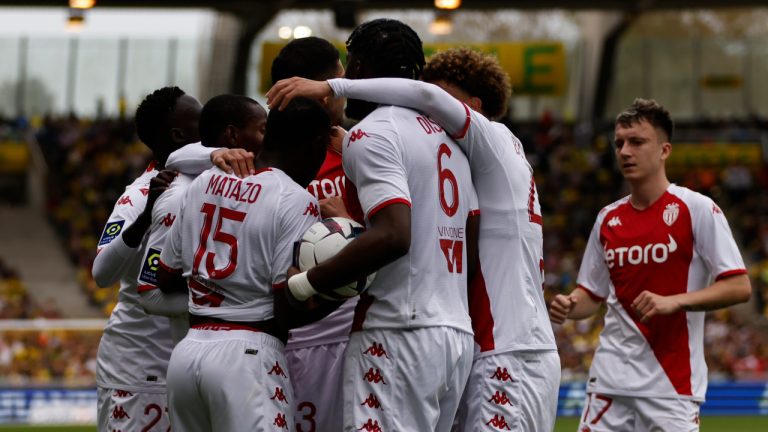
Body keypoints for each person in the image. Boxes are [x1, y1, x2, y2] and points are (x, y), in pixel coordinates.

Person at [268, 46, 561, 431]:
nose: (428, 116)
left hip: (504, 349)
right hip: (490, 344)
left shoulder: (491, 139)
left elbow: (425, 96)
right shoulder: (484, 162)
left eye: (445, 104)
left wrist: (331, 85)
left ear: (471, 106)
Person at [283, 19, 480, 431]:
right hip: (454, 333)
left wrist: (306, 283)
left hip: (397, 330)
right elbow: (472, 233)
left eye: (349, 66)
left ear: (359, 70)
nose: (343, 77)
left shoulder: (372, 134)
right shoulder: (449, 138)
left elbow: (394, 234)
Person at [548, 99, 751, 431]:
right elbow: (591, 295)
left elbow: (739, 285)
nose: (625, 151)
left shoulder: (697, 209)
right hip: (609, 385)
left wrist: (675, 301)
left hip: (671, 390)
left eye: (637, 142)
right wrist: (570, 305)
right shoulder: (607, 219)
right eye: (619, 143)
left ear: (664, 150)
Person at [157, 98, 332, 431]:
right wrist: (345, 289)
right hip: (249, 356)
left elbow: (165, 277)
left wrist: (218, 287)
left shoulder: (204, 182)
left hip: (187, 354)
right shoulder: (295, 199)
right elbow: (287, 308)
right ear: (316, 145)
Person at [91, 86, 201, 432]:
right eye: (200, 119)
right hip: (138, 366)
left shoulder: (207, 184)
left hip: (188, 362)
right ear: (178, 134)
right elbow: (101, 273)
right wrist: (146, 215)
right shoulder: (140, 194)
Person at [270, 36, 359, 432]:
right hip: (283, 331)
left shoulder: (362, 149)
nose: (345, 86)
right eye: (339, 77)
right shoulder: (263, 154)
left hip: (347, 331)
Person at [136, 95, 267, 345]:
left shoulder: (255, 186)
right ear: (231, 135)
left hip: (243, 348)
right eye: (262, 130)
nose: (269, 138)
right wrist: (227, 300)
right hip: (196, 348)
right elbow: (149, 293)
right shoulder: (179, 194)